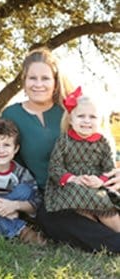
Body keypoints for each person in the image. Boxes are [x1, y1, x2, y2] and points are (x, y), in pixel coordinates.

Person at [2, 47, 120, 253]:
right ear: (24, 79)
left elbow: (99, 140)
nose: (39, 84)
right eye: (33, 78)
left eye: (45, 78)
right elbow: (8, 158)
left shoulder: (70, 110)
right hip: (50, 193)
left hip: (94, 181)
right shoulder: (12, 115)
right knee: (55, 221)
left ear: (55, 81)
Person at [44, 87, 120, 232]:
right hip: (71, 184)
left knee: (102, 201)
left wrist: (100, 180)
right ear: (71, 120)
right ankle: (100, 233)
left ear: (101, 120)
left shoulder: (103, 142)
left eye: (92, 117)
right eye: (81, 116)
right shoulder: (64, 141)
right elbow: (55, 167)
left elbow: (109, 168)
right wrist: (72, 179)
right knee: (77, 198)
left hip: (96, 183)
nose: (86, 121)